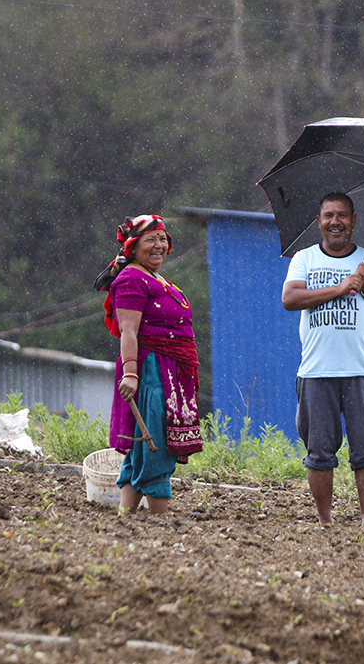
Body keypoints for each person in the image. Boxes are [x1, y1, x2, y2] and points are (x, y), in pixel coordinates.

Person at [282, 192, 364, 525]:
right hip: (317, 371)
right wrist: (339, 288)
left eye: (342, 216)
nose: (336, 222)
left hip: (363, 371)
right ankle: (325, 521)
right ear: (319, 222)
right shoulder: (304, 259)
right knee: (318, 452)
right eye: (329, 215)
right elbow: (290, 298)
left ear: (354, 221)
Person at [94, 214, 202, 514]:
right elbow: (129, 331)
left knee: (143, 447)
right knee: (158, 444)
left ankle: (125, 515)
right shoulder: (131, 278)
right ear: (133, 246)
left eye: (163, 239)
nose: (159, 245)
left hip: (170, 370)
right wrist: (130, 373)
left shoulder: (158, 279)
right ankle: (161, 522)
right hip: (152, 372)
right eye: (150, 239)